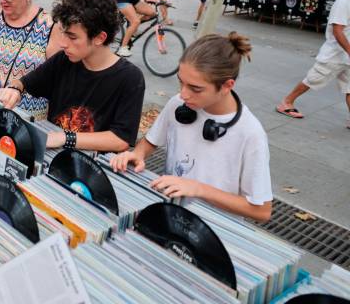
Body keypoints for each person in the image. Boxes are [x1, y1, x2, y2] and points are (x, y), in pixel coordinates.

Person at [111, 33, 273, 222]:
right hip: (170, 217)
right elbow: (150, 142)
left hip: (212, 229)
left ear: (227, 85)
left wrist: (199, 189)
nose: (184, 94)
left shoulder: (250, 133)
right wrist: (136, 155)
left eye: (195, 89)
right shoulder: (177, 104)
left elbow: (261, 211)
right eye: (181, 82)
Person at [0, 0, 145, 151]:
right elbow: (25, 83)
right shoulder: (63, 60)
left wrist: (66, 138)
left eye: (72, 37)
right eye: (62, 33)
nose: (62, 43)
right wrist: (14, 89)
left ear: (99, 38)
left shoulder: (130, 78)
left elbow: (120, 139)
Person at [277, 0, 350, 128]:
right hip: (334, 55)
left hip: (346, 58)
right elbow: (337, 30)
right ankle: (286, 102)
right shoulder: (344, 2)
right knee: (312, 80)